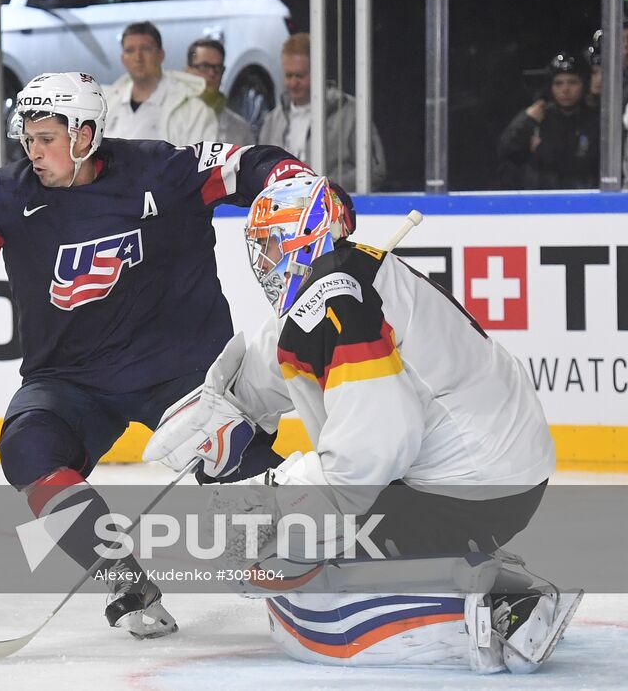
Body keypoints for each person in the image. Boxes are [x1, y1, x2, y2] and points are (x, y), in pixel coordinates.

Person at [0, 71, 332, 639]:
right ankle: (121, 573)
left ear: (86, 134)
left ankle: (318, 555)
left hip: (180, 373)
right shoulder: (0, 193)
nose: (34, 151)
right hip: (69, 379)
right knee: (27, 448)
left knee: (230, 461)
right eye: (28, 138)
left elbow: (251, 163)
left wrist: (294, 181)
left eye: (47, 138)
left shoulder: (161, 169)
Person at [144, 176, 579, 673]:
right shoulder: (343, 278)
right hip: (492, 469)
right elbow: (284, 348)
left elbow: (376, 446)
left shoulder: (340, 302)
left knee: (308, 560)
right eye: (257, 246)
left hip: (475, 488)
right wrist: (226, 404)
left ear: (304, 238)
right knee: (299, 547)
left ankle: (503, 599)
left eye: (270, 243)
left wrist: (282, 501)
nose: (261, 261)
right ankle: (466, 565)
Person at [257, 33, 386, 189]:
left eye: (300, 75)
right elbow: (259, 173)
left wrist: (321, 188)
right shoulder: (272, 121)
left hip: (334, 208)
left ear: (319, 72)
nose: (293, 83)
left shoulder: (350, 111)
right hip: (284, 210)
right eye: (288, 75)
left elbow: (374, 170)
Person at [496, 52, 598, 189]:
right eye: (558, 83)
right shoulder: (537, 118)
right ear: (551, 87)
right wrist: (526, 120)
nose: (565, 89)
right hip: (541, 200)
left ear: (584, 84)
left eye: (573, 82)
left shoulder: (595, 120)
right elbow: (505, 150)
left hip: (585, 199)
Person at [102, 22, 215, 146]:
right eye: (130, 50)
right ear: (123, 58)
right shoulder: (106, 104)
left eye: (146, 49)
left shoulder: (194, 111)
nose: (138, 58)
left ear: (161, 55)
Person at [185, 37, 256, 146]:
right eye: (204, 66)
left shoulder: (240, 130)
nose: (212, 74)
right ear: (188, 71)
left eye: (217, 68)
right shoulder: (169, 121)